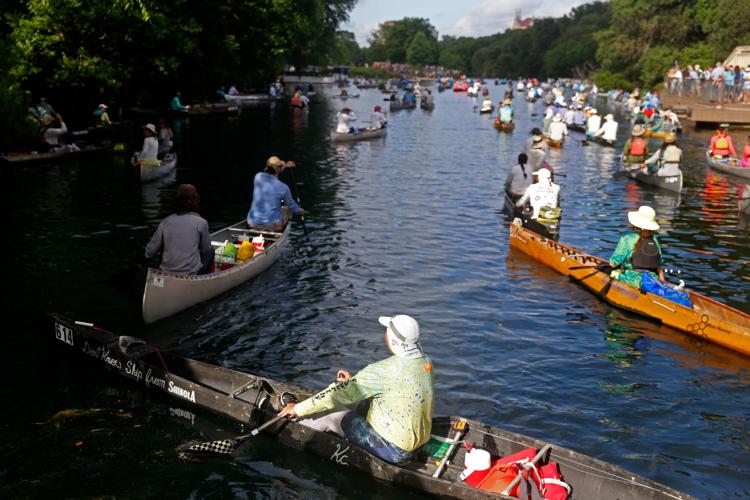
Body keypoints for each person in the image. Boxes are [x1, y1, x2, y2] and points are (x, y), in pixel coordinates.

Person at [277, 314, 434, 465]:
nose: (384, 334)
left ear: (393, 341)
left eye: (386, 331)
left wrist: (297, 408)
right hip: (418, 443)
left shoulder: (381, 371)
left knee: (333, 413)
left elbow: (333, 395)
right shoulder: (426, 363)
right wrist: (353, 383)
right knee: (356, 401)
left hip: (395, 451)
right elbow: (392, 389)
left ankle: (292, 423)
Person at [144, 184, 213, 275]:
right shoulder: (201, 222)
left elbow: (149, 252)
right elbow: (205, 249)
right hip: (191, 272)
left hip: (166, 271)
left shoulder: (166, 222)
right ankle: (203, 280)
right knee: (211, 251)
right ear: (195, 200)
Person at [609, 205, 665, 289]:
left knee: (612, 272)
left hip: (631, 280)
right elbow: (659, 264)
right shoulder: (654, 240)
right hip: (652, 281)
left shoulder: (627, 238)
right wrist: (663, 283)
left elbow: (613, 263)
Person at [246, 156, 304, 232]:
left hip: (252, 223)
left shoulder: (257, 177)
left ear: (267, 166)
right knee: (287, 209)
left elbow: (275, 169)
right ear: (279, 169)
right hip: (272, 226)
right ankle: (280, 231)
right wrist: (300, 211)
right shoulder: (284, 188)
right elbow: (291, 205)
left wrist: (285, 165)